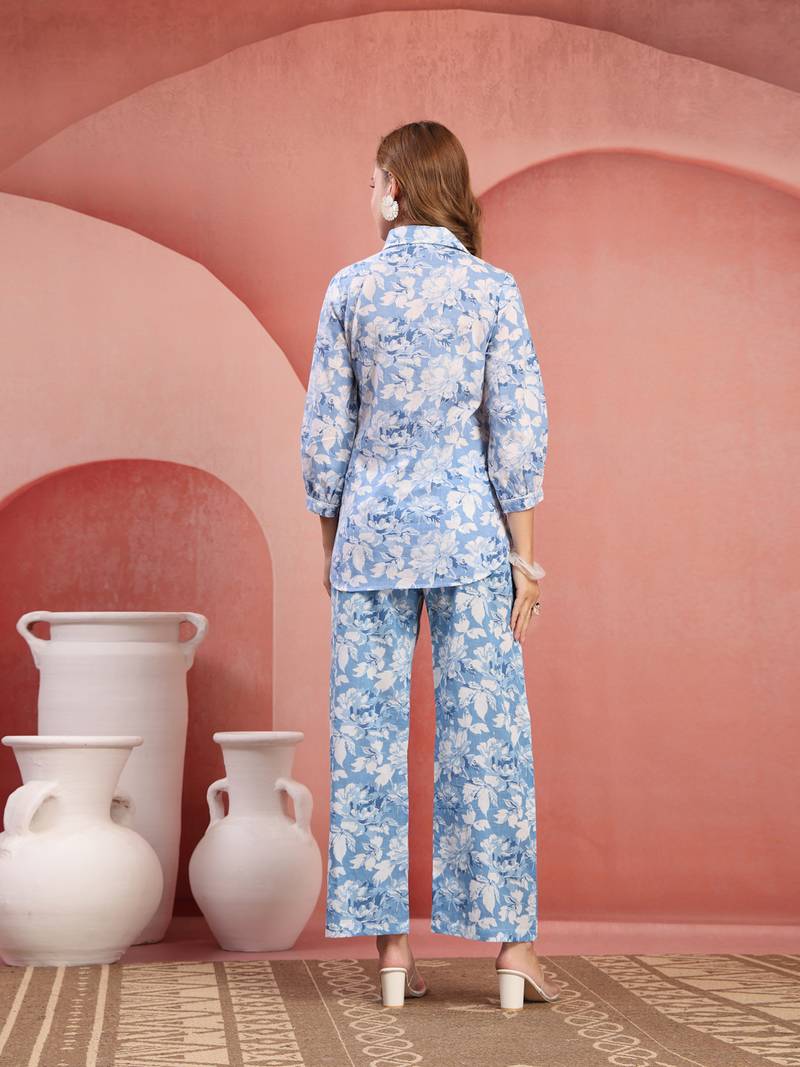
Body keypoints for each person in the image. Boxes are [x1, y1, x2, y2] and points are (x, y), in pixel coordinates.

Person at [299, 120, 559, 1010]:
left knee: (367, 741)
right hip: (469, 540)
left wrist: (332, 549)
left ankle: (393, 952)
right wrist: (527, 561)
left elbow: (324, 436)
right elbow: (517, 432)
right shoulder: (492, 289)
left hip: (371, 541)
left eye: (374, 180)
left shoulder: (350, 289)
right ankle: (513, 949)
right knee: (489, 741)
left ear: (397, 190)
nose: (368, 192)